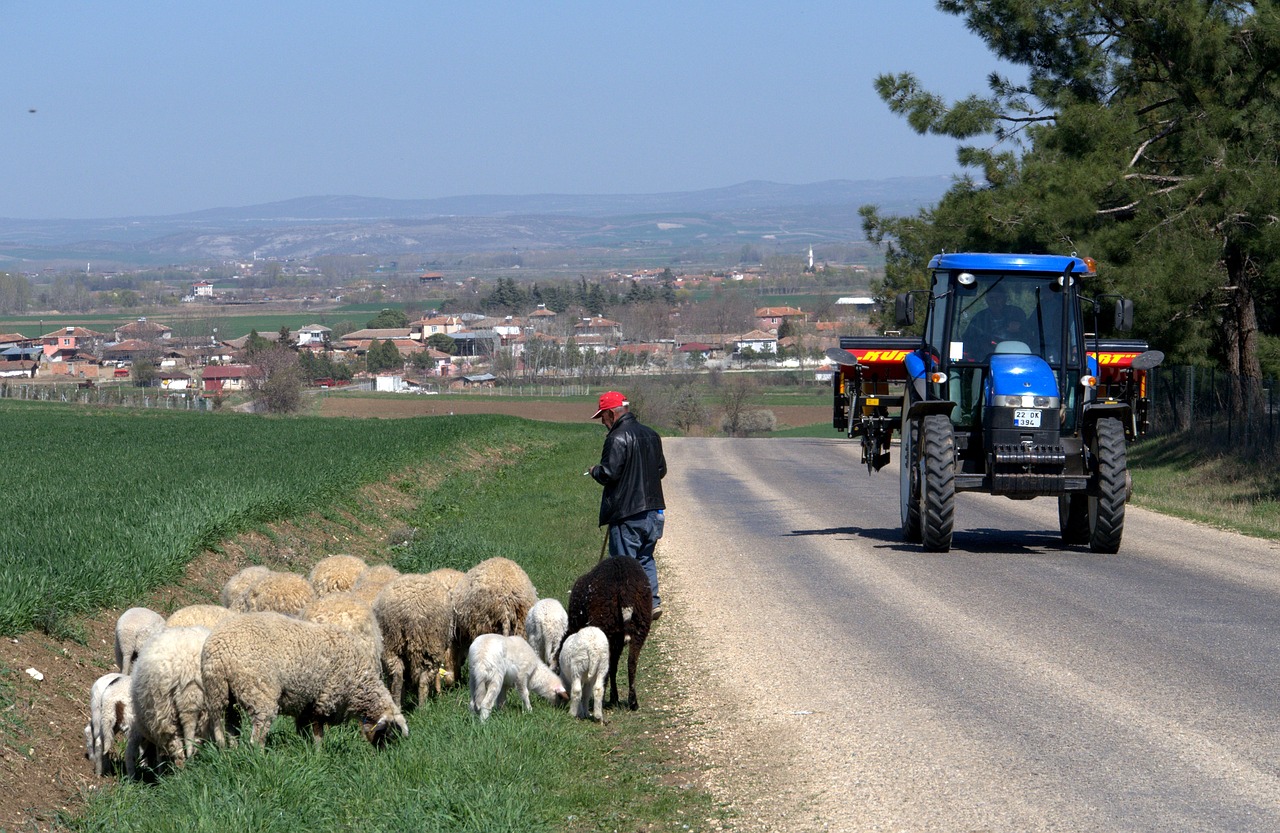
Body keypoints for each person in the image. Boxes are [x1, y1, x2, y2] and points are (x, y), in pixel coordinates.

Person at [587, 390, 667, 620]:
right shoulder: (652, 434)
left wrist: (595, 471)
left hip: (627, 513)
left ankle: (628, 611)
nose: (602, 422)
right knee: (645, 558)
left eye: (603, 416)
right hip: (653, 511)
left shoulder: (616, 438)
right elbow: (661, 470)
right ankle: (652, 604)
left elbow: (609, 473)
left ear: (612, 413)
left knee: (623, 563)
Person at [964, 282, 1028, 353]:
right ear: (987, 300)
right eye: (991, 298)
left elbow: (1029, 335)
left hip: (1016, 355)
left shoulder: (1016, 313)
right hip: (984, 360)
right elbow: (968, 341)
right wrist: (982, 345)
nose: (995, 302)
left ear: (1005, 299)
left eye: (998, 298)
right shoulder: (979, 318)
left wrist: (1019, 330)